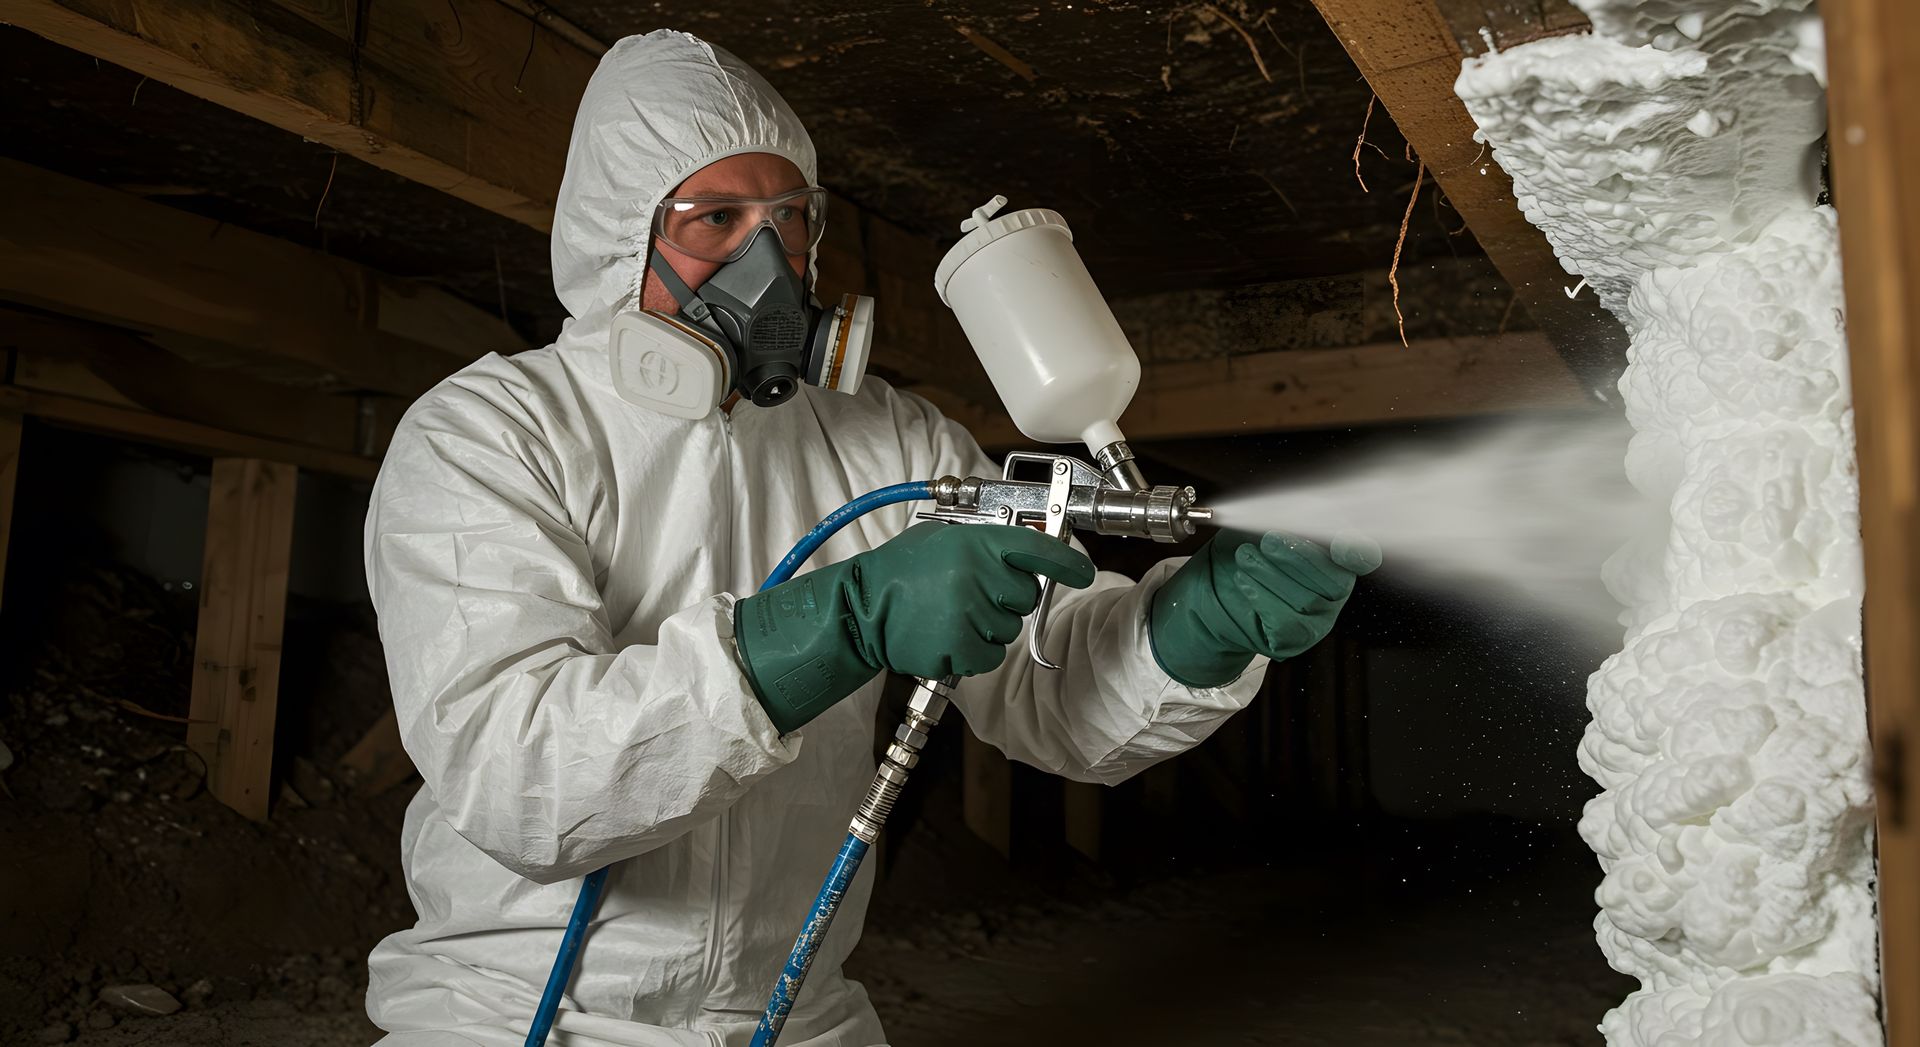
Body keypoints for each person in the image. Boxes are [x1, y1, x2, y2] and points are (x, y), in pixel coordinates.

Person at [362, 28, 1379, 1047]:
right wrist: (836, 623)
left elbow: (1047, 686)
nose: (766, 264)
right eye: (716, 219)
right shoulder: (493, 432)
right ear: (617, 239)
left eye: (789, 220)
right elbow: (519, 775)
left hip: (798, 1016)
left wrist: (1196, 623)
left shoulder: (893, 442)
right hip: (515, 1018)